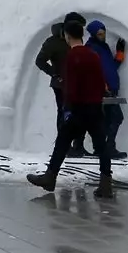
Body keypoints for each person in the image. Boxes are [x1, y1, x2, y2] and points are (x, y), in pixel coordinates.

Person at [26, 15, 113, 198]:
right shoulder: (93, 54)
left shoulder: (72, 56)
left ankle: (50, 177)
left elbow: (71, 86)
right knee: (101, 145)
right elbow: (100, 81)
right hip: (95, 107)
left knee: (62, 142)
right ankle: (106, 184)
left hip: (78, 108)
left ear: (67, 35)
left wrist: (67, 109)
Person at [34, 14, 90, 157]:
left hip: (78, 83)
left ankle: (78, 145)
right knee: (65, 114)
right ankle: (64, 146)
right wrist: (55, 74)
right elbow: (40, 61)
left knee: (80, 113)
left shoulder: (77, 39)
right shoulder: (53, 42)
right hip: (61, 85)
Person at [85, 18, 128, 159]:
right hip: (103, 91)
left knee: (107, 120)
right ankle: (108, 147)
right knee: (116, 118)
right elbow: (92, 71)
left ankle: (102, 148)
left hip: (111, 89)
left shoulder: (104, 48)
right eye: (99, 34)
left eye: (103, 33)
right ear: (93, 34)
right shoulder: (91, 49)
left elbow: (110, 68)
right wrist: (102, 87)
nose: (102, 36)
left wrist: (119, 54)